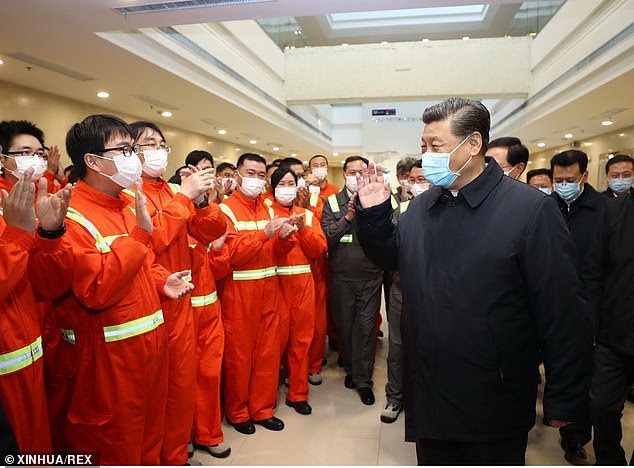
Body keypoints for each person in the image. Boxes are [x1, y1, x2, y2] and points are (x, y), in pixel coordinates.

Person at [354, 97, 593, 465]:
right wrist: (373, 217)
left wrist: (564, 395)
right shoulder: (422, 207)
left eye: (436, 146)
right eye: (423, 147)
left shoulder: (529, 209)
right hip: (429, 390)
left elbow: (561, 309)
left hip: (492, 395)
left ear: (474, 144)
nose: (426, 156)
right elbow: (394, 257)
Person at [55, 114, 194, 465]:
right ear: (92, 160)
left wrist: (163, 281)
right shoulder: (70, 216)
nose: (134, 158)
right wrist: (140, 237)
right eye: (125, 149)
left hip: (150, 343)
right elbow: (97, 289)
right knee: (118, 447)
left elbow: (142, 265)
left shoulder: (128, 202)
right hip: (108, 359)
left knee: (149, 438)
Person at [127, 122, 227, 466]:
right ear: (129, 151)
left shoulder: (173, 194)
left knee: (182, 387)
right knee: (153, 395)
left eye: (161, 143)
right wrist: (184, 195)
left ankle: (175, 455)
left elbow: (211, 230)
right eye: (147, 143)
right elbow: (150, 240)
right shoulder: (126, 193)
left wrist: (200, 200)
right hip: (148, 304)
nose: (156, 149)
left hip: (180, 299)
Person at [218, 153, 296, 435]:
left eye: (261, 175)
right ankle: (238, 412)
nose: (256, 179)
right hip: (238, 293)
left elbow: (277, 252)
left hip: (269, 290)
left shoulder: (268, 208)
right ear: (237, 176)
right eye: (250, 173)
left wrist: (286, 239)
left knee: (267, 353)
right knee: (239, 357)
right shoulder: (225, 210)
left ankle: (262, 409)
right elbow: (233, 256)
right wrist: (265, 233)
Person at [0, 169, 72, 454]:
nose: (34, 161)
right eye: (25, 151)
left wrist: (50, 233)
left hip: (31, 352)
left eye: (39, 153)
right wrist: (17, 235)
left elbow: (48, 286)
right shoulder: (14, 216)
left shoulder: (25, 208)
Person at [321, 155, 383, 406]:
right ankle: (352, 370)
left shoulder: (380, 198)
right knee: (345, 328)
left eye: (361, 171)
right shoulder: (332, 202)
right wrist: (347, 218)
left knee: (366, 330)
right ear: (344, 174)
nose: (356, 176)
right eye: (351, 171)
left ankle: (363, 382)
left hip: (370, 276)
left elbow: (386, 232)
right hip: (342, 276)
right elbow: (327, 237)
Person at [267, 165, 327, 415]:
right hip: (274, 286)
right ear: (272, 188)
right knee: (271, 345)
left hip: (303, 286)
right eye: (281, 184)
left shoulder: (308, 215)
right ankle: (267, 396)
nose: (286, 189)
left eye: (291, 183)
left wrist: (302, 229)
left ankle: (298, 393)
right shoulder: (266, 211)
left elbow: (319, 248)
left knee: (302, 342)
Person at [584, 188, 634, 465]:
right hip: (613, 332)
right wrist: (592, 325)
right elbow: (593, 271)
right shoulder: (615, 210)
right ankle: (609, 460)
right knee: (602, 405)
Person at [381, 159, 430, 425]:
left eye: (424, 179)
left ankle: (424, 397)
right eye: (414, 180)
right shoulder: (401, 211)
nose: (418, 184)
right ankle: (395, 397)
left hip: (436, 291)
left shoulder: (447, 208)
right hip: (403, 288)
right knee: (398, 345)